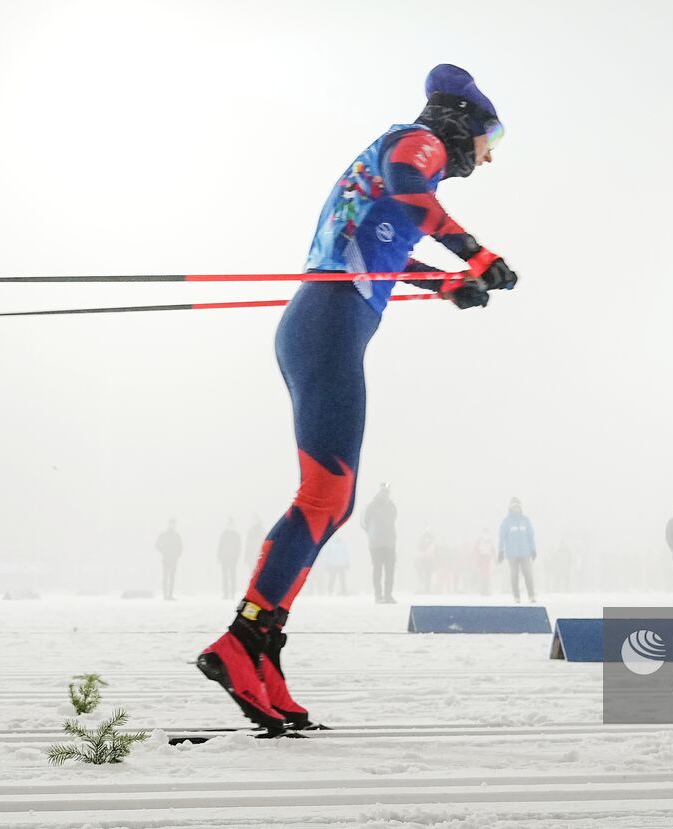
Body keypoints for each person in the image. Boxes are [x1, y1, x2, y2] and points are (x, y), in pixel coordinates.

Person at [196, 64, 516, 735]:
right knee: (324, 496)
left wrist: (444, 284)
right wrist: (478, 254)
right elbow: (407, 196)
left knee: (332, 502)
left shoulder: (401, 151)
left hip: (326, 320)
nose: (487, 157)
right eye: (491, 139)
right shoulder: (419, 144)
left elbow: (384, 241)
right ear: (463, 120)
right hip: (330, 322)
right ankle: (240, 640)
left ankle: (262, 645)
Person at [360, 484, 398, 603]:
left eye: (387, 492)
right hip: (376, 544)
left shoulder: (392, 506)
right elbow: (363, 522)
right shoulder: (371, 505)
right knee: (378, 569)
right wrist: (372, 534)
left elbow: (394, 520)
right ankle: (378, 596)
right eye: (383, 492)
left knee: (390, 570)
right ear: (380, 492)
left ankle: (388, 595)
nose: (385, 494)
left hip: (389, 543)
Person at [498, 497, 537, 603]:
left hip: (525, 552)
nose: (516, 509)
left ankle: (531, 595)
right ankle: (516, 596)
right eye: (514, 507)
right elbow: (502, 537)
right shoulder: (506, 522)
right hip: (512, 554)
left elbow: (531, 536)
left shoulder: (525, 520)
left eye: (518, 507)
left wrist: (533, 549)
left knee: (527, 574)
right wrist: (501, 551)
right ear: (510, 508)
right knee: (514, 575)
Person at [156, 519, 183, 601]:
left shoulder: (177, 535)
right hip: (166, 559)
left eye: (174, 524)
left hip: (173, 559)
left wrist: (177, 555)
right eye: (172, 524)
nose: (173, 526)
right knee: (165, 577)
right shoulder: (164, 534)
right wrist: (162, 550)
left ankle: (170, 595)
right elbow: (156, 544)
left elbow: (181, 547)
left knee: (172, 578)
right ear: (169, 524)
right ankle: (165, 595)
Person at [217, 519, 241, 600]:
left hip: (232, 559)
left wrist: (236, 557)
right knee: (225, 576)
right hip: (224, 558)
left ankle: (232, 593)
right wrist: (219, 557)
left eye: (231, 524)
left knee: (232, 576)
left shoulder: (236, 535)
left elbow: (238, 547)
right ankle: (226, 593)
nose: (230, 526)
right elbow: (220, 546)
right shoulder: (223, 534)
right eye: (229, 524)